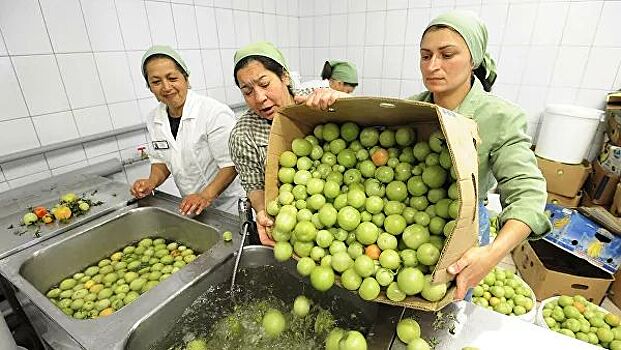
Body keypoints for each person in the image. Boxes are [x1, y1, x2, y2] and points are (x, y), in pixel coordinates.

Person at [300, 11, 552, 300]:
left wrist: (492, 254)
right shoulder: (414, 108)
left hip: (461, 230)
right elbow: (376, 138)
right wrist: (344, 104)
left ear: (474, 60)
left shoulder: (500, 117)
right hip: (406, 221)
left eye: (447, 55)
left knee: (449, 307)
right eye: (425, 56)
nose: (433, 66)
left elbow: (529, 195)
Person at [131, 45, 244, 216]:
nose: (166, 87)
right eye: (156, 82)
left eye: (172, 78)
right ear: (149, 86)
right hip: (191, 205)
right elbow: (161, 161)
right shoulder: (154, 119)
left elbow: (231, 165)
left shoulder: (213, 112)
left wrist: (205, 196)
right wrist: (151, 182)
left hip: (229, 207)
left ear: (186, 78)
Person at [229, 41, 323, 246]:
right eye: (247, 91)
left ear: (284, 76)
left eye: (264, 84)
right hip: (289, 226)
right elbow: (253, 183)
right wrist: (262, 211)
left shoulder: (316, 103)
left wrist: (337, 100)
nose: (260, 98)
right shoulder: (244, 133)